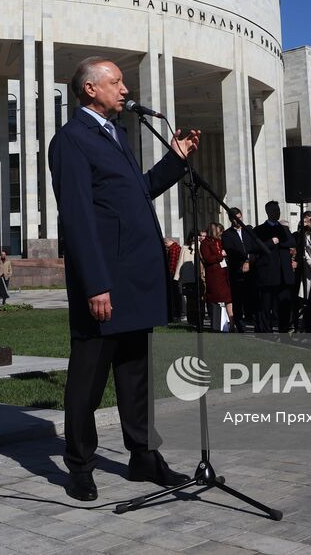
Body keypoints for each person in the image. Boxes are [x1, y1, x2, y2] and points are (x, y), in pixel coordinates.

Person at [49, 56, 200, 501]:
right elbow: (77, 218)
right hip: (105, 285)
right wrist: (96, 284)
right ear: (90, 89)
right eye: (115, 82)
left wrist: (174, 159)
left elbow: (138, 191)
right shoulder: (71, 140)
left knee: (136, 377)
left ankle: (144, 458)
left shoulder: (116, 134)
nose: (124, 89)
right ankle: (80, 466)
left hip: (136, 281)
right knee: (88, 381)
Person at [252, 201, 295, 333]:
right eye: (274, 210)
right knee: (266, 305)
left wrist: (279, 241)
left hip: (283, 274)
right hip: (268, 274)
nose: (277, 213)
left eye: (278, 210)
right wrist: (271, 242)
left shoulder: (284, 229)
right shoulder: (259, 230)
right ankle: (266, 331)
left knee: (284, 305)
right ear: (268, 212)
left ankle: (284, 330)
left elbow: (291, 241)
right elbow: (256, 247)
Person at [221, 207, 263, 332]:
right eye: (235, 219)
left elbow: (256, 248)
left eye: (240, 218)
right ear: (230, 219)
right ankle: (240, 327)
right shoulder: (227, 234)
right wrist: (244, 260)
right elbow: (231, 251)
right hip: (237, 271)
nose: (238, 221)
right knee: (238, 300)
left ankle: (257, 325)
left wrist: (249, 261)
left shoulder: (249, 231)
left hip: (252, 269)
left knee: (254, 299)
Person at [200, 223, 232, 331]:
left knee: (228, 299)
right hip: (214, 275)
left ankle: (232, 324)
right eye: (219, 231)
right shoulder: (205, 243)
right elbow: (208, 258)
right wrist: (220, 255)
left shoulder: (219, 241)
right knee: (216, 299)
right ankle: (217, 325)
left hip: (224, 273)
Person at [164, 238, 183, 322]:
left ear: (166, 243)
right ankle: (178, 313)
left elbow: (172, 263)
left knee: (174, 295)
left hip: (173, 275)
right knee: (177, 295)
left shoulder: (173, 249)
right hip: (178, 274)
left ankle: (176, 314)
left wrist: (169, 274)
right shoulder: (178, 247)